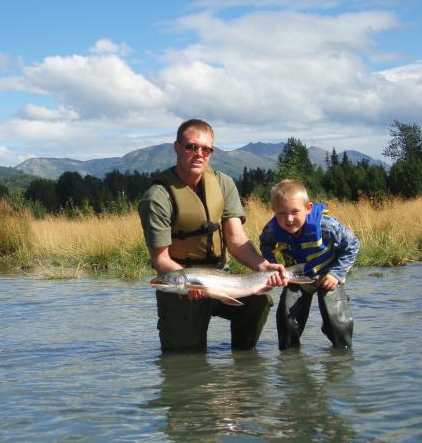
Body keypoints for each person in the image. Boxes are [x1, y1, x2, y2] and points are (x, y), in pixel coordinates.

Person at [138, 119, 287, 351]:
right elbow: (160, 259)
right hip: (182, 288)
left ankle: (244, 368)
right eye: (191, 147)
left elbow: (237, 240)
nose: (199, 154)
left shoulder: (223, 184)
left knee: (259, 301)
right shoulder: (157, 197)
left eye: (206, 149)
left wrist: (263, 266)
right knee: (184, 363)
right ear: (177, 148)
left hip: (221, 277)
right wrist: (188, 284)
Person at [259, 179, 360, 350]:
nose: (288, 219)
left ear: (308, 208)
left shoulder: (326, 224)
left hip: (328, 276)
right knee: (287, 322)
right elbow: (265, 245)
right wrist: (273, 267)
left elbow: (352, 245)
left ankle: (339, 354)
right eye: (281, 213)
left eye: (295, 212)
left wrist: (336, 274)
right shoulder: (271, 229)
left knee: (338, 324)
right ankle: (290, 361)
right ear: (273, 210)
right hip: (296, 279)